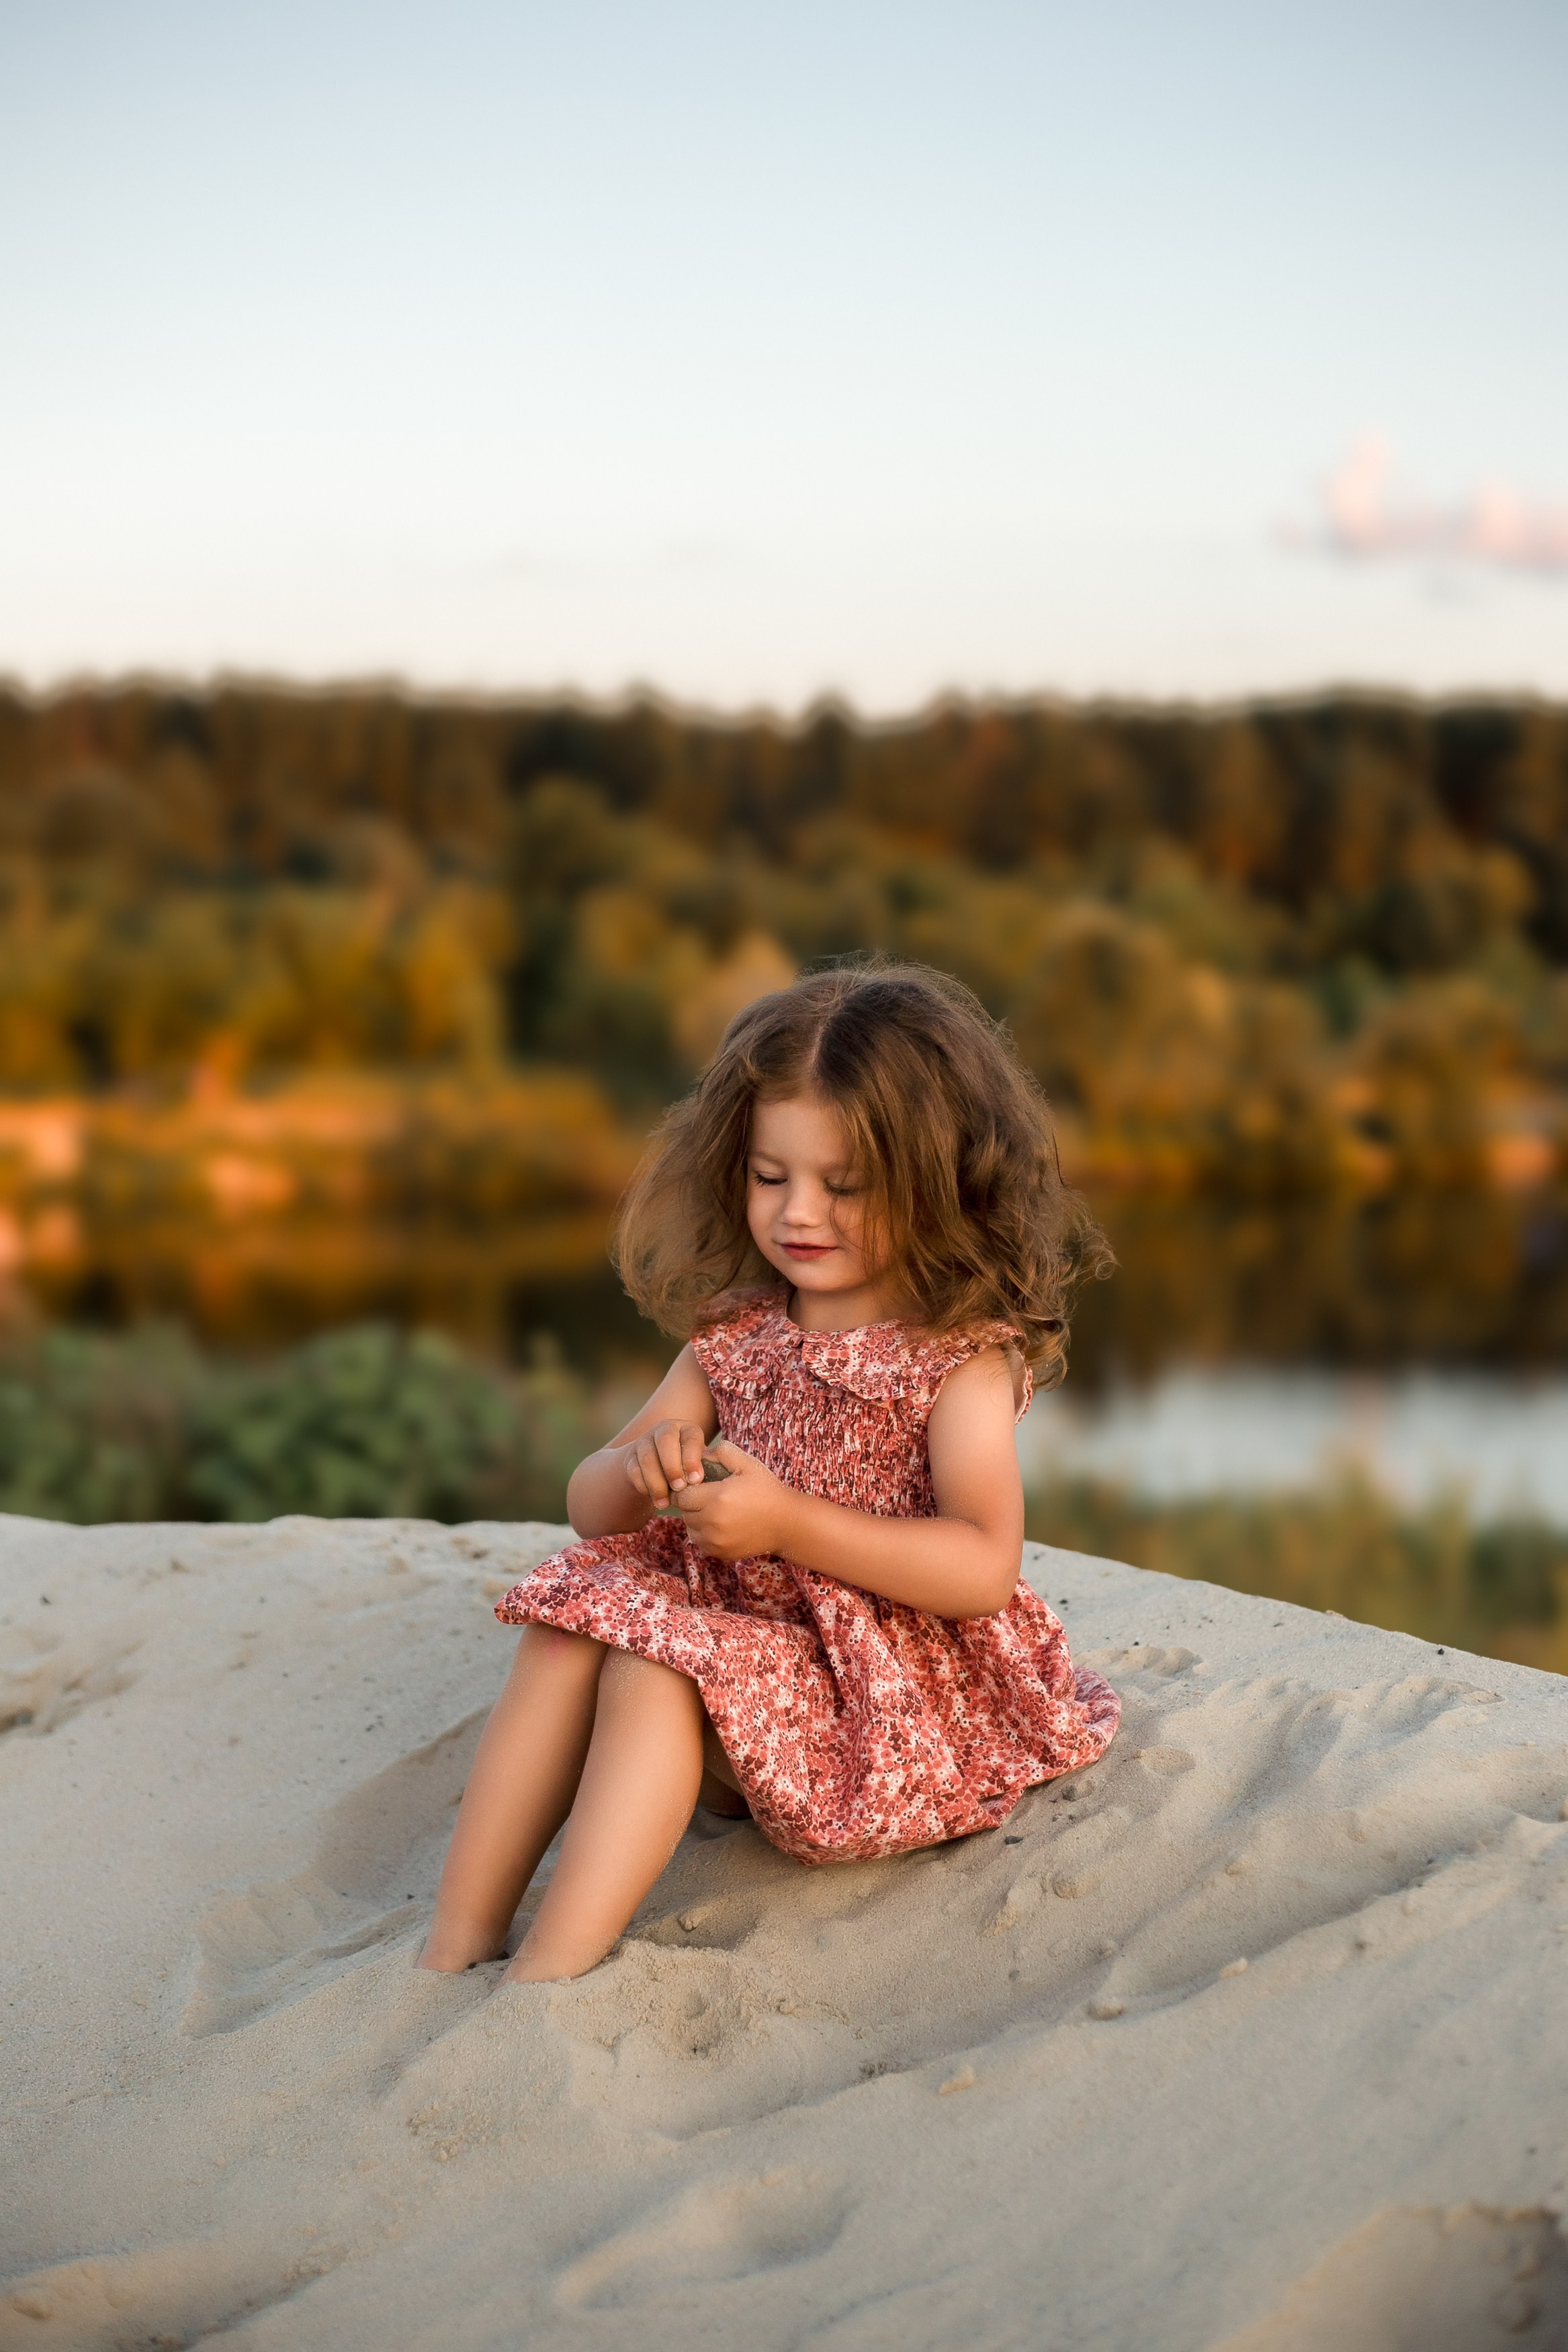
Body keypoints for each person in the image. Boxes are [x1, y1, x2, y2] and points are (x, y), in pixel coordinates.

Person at [419, 961, 1121, 1984]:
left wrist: (788, 1523)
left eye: (844, 1187)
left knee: (655, 1664)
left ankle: (546, 1978)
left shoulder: (955, 1358)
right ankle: (455, 1945)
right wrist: (637, 1468)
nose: (798, 1213)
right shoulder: (737, 1335)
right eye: (767, 1175)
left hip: (875, 1692)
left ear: (937, 1183)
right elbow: (586, 1510)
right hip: (746, 1658)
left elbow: (979, 1566)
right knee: (568, 1630)